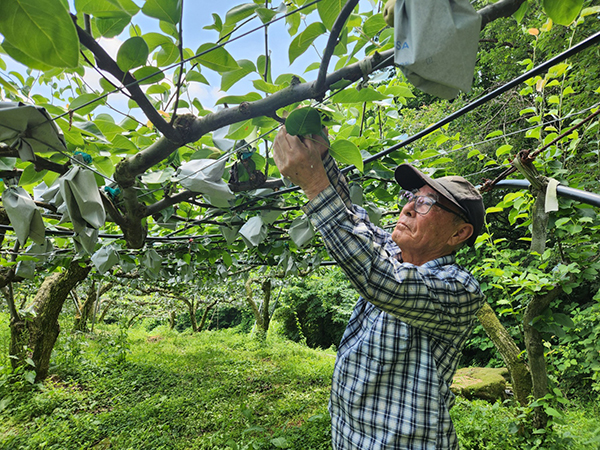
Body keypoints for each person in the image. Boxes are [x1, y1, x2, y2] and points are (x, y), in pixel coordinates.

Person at [273, 127, 486, 449]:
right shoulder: (391, 250)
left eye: (427, 203)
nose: (409, 207)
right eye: (412, 197)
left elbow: (379, 279)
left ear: (458, 234)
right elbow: (349, 216)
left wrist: (314, 183)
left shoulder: (459, 289)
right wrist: (320, 154)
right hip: (348, 437)